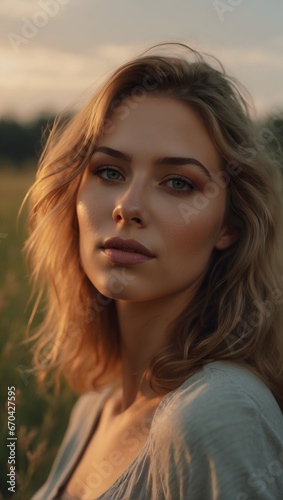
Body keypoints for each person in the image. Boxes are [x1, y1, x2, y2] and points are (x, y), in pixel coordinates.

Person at [24, 42, 283, 499]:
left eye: (178, 183)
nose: (129, 206)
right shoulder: (93, 410)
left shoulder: (217, 413)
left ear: (229, 226)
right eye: (108, 171)